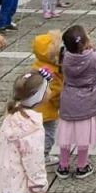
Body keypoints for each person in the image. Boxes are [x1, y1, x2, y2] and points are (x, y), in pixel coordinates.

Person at [56, 25, 96, 178]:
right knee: (84, 135)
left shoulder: (64, 56)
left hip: (69, 98)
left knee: (65, 134)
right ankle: (82, 166)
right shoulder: (94, 58)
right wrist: (95, 50)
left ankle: (63, 165)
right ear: (85, 42)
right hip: (88, 100)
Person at [31, 30, 64, 161]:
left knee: (35, 133)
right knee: (48, 133)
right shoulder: (52, 71)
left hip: (33, 108)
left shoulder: (38, 64)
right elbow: (55, 92)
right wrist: (60, 104)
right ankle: (43, 156)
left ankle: (33, 154)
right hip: (47, 109)